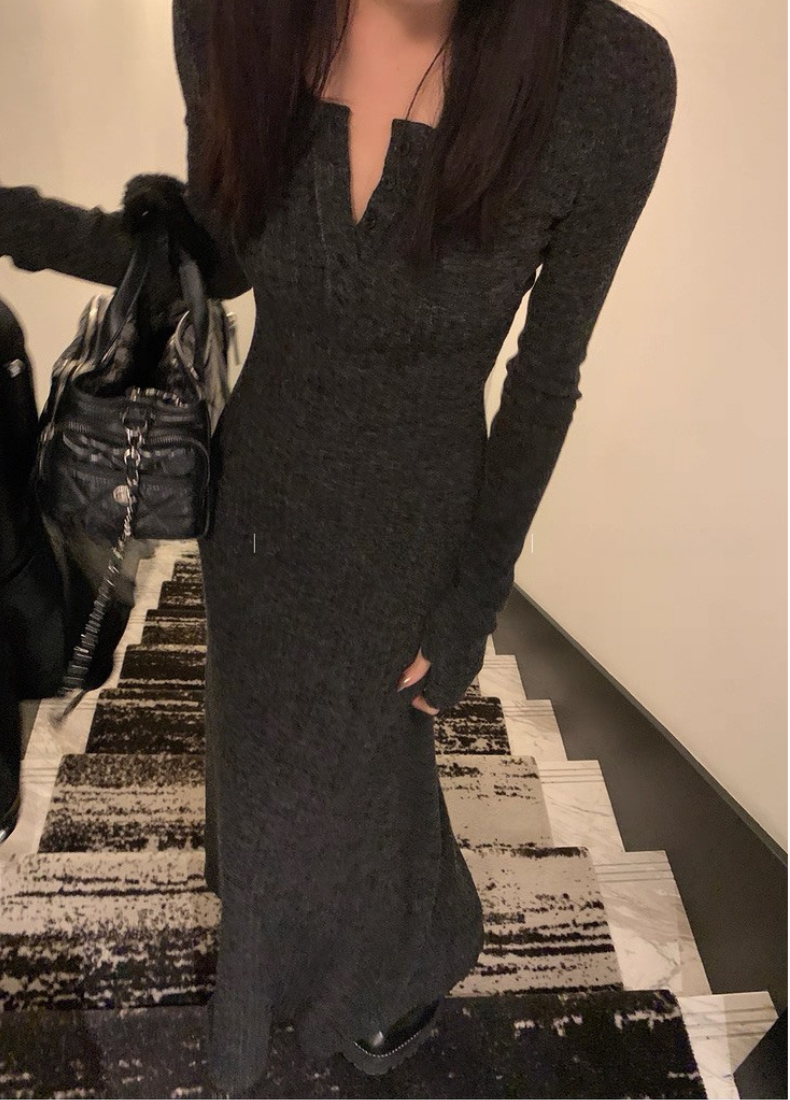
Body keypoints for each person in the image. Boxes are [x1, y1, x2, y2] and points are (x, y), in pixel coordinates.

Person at [0, 0, 678, 1090]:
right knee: (268, 754)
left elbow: (544, 380)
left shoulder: (609, 77)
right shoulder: (232, 19)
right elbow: (220, 254)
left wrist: (472, 603)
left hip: (416, 520)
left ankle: (398, 956)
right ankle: (286, 940)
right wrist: (21, 225)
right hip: (262, 495)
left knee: (372, 767)